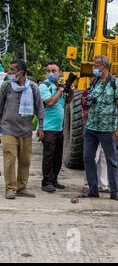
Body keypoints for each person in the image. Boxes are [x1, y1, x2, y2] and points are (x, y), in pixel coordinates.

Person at [82, 55, 118, 201]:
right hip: (91, 127)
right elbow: (89, 100)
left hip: (107, 129)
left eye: (96, 65)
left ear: (104, 67)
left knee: (111, 160)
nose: (94, 68)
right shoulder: (94, 82)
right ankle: (93, 189)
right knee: (88, 158)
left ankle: (115, 192)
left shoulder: (115, 83)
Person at [0, 59, 45, 199]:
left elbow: (40, 108)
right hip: (8, 129)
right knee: (9, 159)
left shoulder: (32, 88)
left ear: (21, 71)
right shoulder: (6, 86)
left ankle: (21, 187)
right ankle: (10, 188)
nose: (10, 73)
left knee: (25, 160)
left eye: (12, 70)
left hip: (25, 130)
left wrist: (41, 127)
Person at [39, 61, 74, 192]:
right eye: (48, 71)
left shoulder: (60, 86)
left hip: (59, 128)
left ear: (59, 73)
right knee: (48, 155)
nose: (51, 73)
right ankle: (46, 182)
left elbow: (68, 101)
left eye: (54, 71)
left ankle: (54, 179)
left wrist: (70, 91)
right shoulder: (44, 86)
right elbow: (50, 102)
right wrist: (60, 90)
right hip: (48, 127)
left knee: (57, 155)